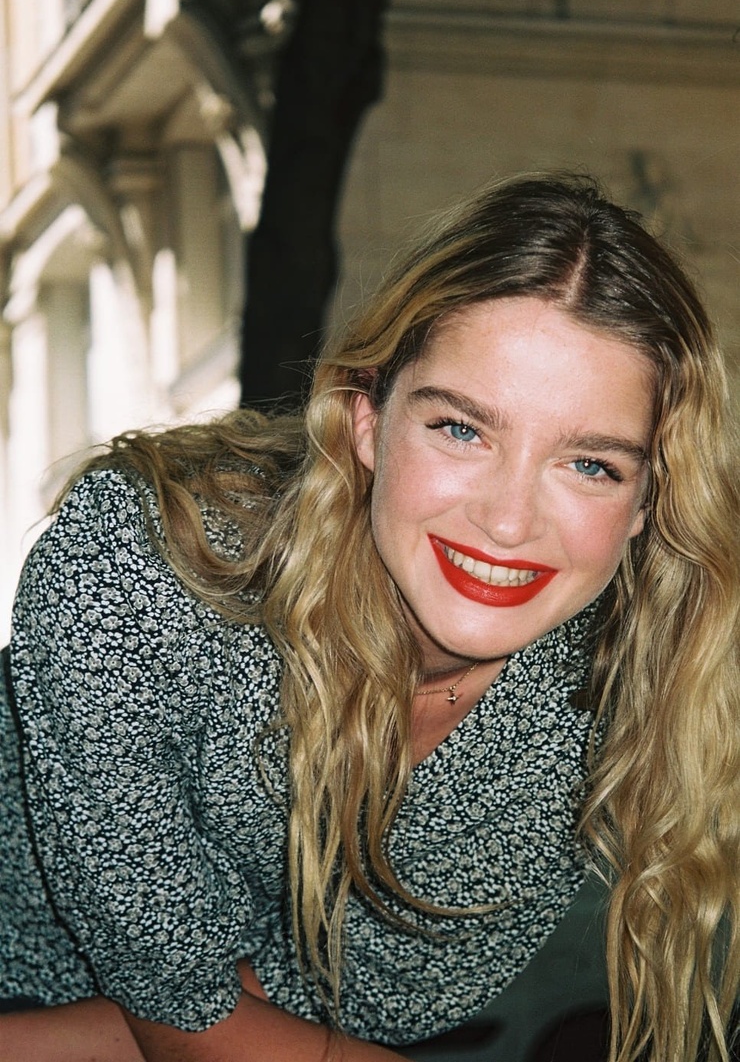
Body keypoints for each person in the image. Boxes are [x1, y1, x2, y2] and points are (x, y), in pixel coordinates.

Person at [1, 174, 737, 1062]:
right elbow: (183, 1009)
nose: (509, 522)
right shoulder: (149, 557)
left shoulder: (592, 699)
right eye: (461, 429)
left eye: (590, 465)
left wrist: (203, 1009)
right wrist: (200, 1010)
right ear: (367, 421)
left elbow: (342, 1010)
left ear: (647, 503)